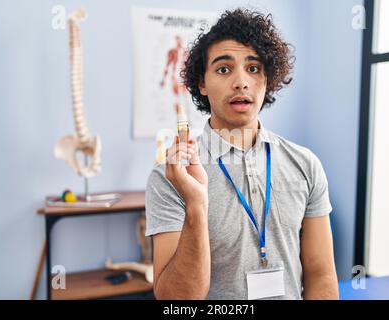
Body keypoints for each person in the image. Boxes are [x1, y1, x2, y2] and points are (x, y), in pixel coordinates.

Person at [145, 8, 339, 300]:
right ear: (202, 84)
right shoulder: (170, 177)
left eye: (253, 68)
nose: (241, 82)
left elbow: (321, 275)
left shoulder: (305, 164)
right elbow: (176, 301)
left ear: (268, 78)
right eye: (224, 69)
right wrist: (196, 205)